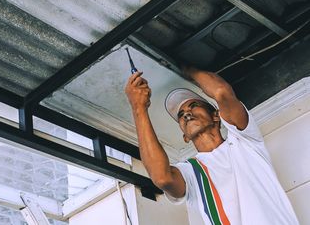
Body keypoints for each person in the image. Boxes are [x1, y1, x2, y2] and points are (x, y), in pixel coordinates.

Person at [125, 66, 299, 225]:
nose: (186, 114)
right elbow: (162, 178)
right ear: (185, 137)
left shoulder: (243, 140)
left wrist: (180, 68)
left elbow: (221, 91)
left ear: (217, 115)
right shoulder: (192, 171)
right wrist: (138, 108)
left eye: (194, 106)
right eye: (181, 114)